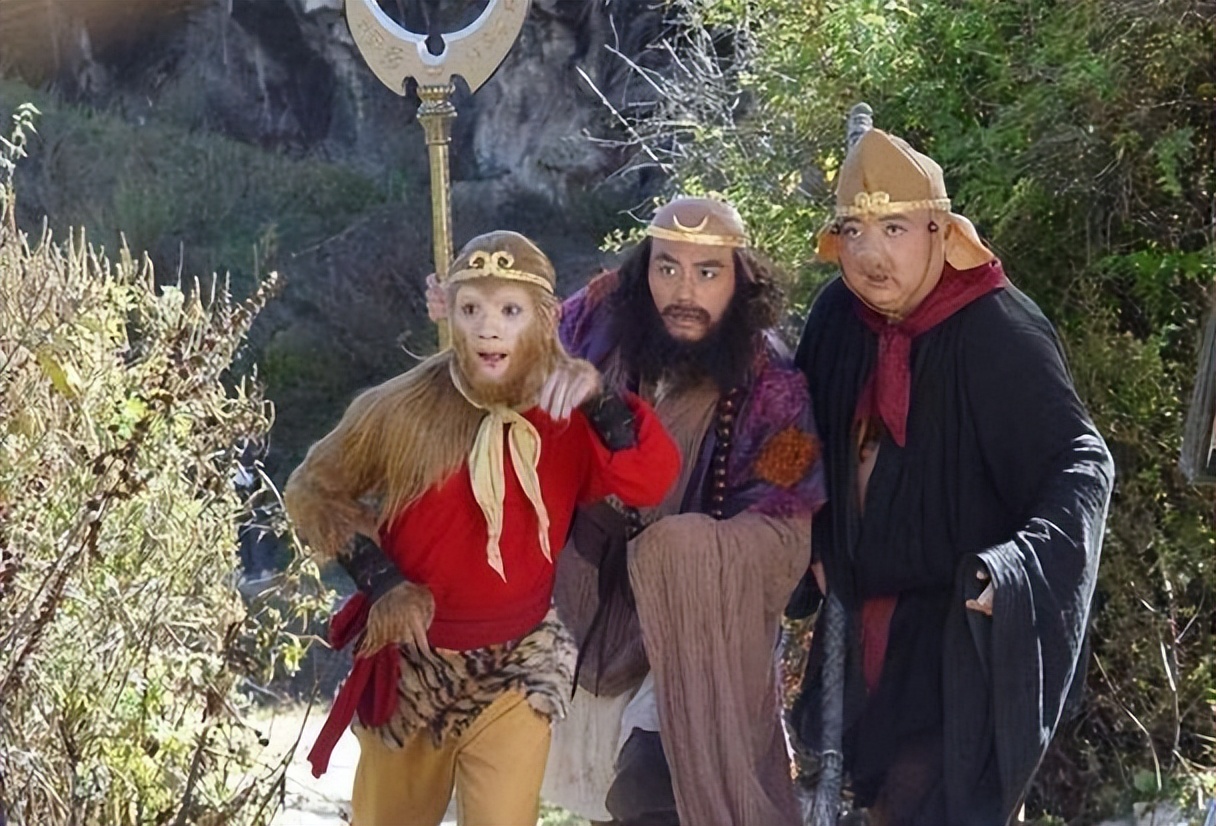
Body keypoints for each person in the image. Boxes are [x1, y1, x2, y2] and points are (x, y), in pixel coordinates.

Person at [429, 197, 827, 825]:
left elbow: (785, 518)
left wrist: (684, 552)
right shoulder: (598, 318)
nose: (684, 292)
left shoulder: (775, 383)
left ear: (740, 278)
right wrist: (468, 316)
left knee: (650, 789)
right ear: (645, 269)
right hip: (579, 593)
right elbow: (516, 358)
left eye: (707, 272)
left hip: (695, 625)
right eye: (668, 268)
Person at [284, 231, 680, 826]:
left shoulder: (569, 410)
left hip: (518, 666)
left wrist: (603, 403)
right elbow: (312, 490)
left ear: (546, 318)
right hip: (415, 665)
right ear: (450, 312)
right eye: (472, 309)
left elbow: (649, 482)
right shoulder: (399, 407)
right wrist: (381, 579)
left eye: (510, 311)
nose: (489, 329)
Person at [787, 128, 1115, 825]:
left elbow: (1082, 463)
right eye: (853, 231)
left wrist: (1014, 571)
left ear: (941, 231)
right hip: (861, 621)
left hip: (956, 640)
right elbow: (791, 437)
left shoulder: (1000, 329)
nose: (870, 255)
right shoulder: (837, 317)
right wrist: (798, 531)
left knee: (928, 804)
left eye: (894, 228)